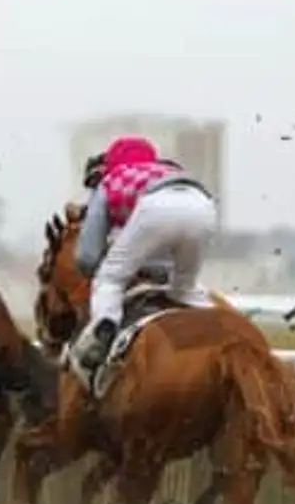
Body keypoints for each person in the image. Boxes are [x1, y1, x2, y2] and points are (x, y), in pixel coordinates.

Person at [71, 133, 218, 375]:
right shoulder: (167, 170)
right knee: (184, 290)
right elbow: (163, 260)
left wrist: (99, 266)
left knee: (109, 280)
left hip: (156, 206)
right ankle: (220, 325)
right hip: (203, 205)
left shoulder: (110, 180)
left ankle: (103, 331)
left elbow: (87, 257)